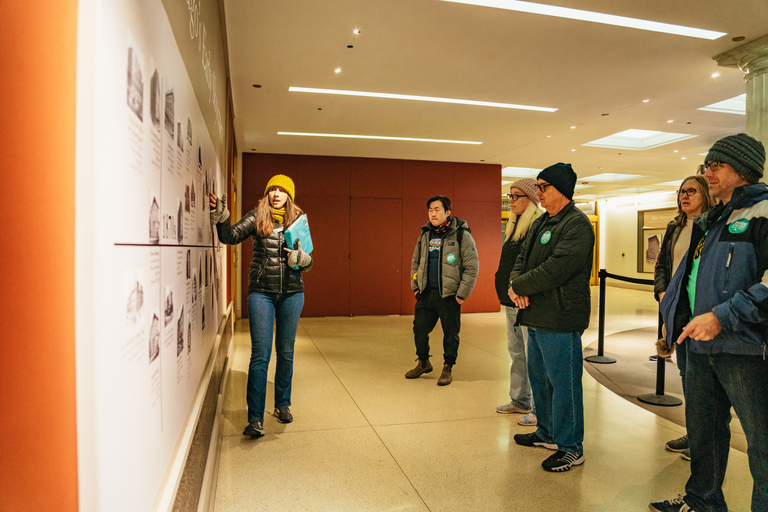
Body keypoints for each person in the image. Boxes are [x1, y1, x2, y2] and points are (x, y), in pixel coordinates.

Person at [651, 133, 768, 512]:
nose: (708, 172)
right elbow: (692, 278)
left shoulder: (762, 214)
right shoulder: (713, 220)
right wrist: (675, 318)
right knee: (704, 433)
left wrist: (722, 317)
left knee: (762, 444)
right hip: (700, 346)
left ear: (743, 169)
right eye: (707, 165)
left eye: (716, 165)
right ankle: (702, 501)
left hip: (745, 349)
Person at [210, 174, 313, 438]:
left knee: (286, 352)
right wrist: (222, 218)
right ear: (267, 194)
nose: (276, 193)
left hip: (292, 293)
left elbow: (309, 260)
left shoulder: (299, 221)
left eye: (282, 190)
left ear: (289, 196)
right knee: (260, 355)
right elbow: (230, 236)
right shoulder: (257, 216)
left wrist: (302, 259)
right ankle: (255, 418)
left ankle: (282, 405)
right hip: (261, 293)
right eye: (272, 189)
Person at [508, 163, 594, 473]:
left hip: (560, 319)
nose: (539, 193)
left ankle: (571, 446)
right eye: (539, 187)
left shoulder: (577, 226)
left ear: (561, 189)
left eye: (544, 187)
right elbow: (521, 259)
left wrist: (518, 285)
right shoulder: (542, 223)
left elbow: (556, 269)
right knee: (541, 382)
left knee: (564, 385)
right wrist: (515, 284)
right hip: (535, 316)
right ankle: (546, 432)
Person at [653, 175, 714, 460]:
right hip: (676, 309)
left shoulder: (713, 226)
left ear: (705, 194)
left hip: (702, 311)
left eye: (692, 191)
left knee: (703, 380)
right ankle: (694, 433)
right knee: (687, 373)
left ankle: (704, 439)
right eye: (681, 191)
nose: (684, 196)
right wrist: (662, 292)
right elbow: (662, 265)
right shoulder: (674, 228)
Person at [406, 196, 479, 386]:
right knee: (419, 329)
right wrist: (416, 287)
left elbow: (472, 267)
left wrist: (461, 295)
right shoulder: (425, 235)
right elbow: (415, 263)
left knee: (451, 333)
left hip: (449, 295)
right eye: (430, 209)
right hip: (426, 294)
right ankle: (423, 362)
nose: (433, 213)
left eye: (437, 209)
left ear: (448, 212)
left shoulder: (461, 234)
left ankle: (448, 367)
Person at [494, 179, 542, 426]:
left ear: (531, 200)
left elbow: (532, 267)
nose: (510, 201)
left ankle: (538, 407)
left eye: (516, 196)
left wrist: (520, 290)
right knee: (516, 353)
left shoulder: (536, 227)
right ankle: (520, 399)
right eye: (509, 196)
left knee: (532, 355)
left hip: (525, 302)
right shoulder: (513, 228)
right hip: (510, 301)